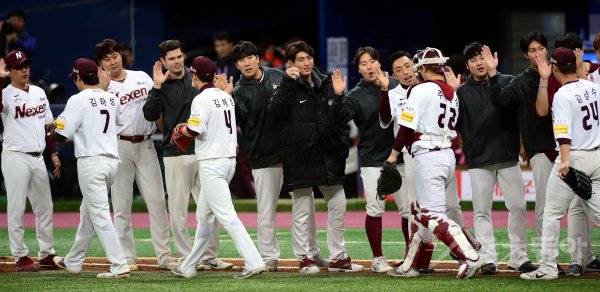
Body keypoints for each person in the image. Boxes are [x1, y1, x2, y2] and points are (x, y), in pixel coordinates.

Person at [385, 47, 482, 278]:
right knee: (419, 212)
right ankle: (410, 265)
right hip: (446, 154)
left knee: (430, 215)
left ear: (424, 67)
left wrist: (393, 154)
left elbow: (407, 126)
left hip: (428, 156)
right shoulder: (452, 92)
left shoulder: (421, 90)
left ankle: (470, 255)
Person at [270, 40, 363, 274]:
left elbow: (340, 119)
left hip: (327, 154)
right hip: (299, 156)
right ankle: (305, 258)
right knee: (302, 208)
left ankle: (338, 256)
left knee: (338, 203)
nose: (306, 62)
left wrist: (340, 95)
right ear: (291, 64)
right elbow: (274, 113)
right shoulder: (286, 85)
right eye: (300, 59)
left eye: (308, 57)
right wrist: (287, 83)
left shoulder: (327, 82)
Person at [231, 41, 325, 271]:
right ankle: (269, 255)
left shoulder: (277, 75)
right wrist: (228, 99)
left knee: (306, 205)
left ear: (258, 58)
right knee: (266, 210)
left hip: (292, 152)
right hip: (263, 155)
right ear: (237, 65)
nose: (247, 63)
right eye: (242, 60)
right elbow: (242, 121)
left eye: (250, 57)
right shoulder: (238, 91)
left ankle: (311, 252)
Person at [170, 56, 265, 279]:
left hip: (212, 164)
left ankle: (254, 261)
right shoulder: (225, 97)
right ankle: (188, 266)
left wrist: (181, 129)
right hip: (228, 161)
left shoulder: (201, 99)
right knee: (204, 216)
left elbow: (193, 132)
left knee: (227, 216)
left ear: (194, 75)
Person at [143, 40, 231, 270]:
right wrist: (156, 87)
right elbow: (149, 114)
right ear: (163, 62)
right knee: (179, 209)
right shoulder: (161, 85)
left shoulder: (195, 79)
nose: (177, 61)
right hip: (175, 153)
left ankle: (210, 256)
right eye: (171, 58)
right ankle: (186, 256)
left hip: (202, 152)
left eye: (179, 56)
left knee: (209, 206)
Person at [95, 39, 176, 270]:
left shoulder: (141, 76)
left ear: (121, 55)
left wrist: (166, 132)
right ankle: (127, 256)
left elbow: (156, 107)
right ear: (100, 63)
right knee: (121, 205)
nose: (112, 61)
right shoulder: (101, 88)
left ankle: (164, 256)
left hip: (146, 144)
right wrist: (100, 90)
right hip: (118, 147)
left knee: (158, 201)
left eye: (115, 55)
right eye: (106, 58)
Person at [521, 47, 600, 280]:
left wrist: (565, 160)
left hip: (574, 158)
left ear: (554, 67)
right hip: (596, 155)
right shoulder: (594, 87)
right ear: (575, 66)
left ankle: (547, 267)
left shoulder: (563, 95)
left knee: (552, 213)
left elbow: (563, 133)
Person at [457, 42, 533, 274]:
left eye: (482, 57)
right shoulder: (461, 92)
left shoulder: (507, 82)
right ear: (468, 65)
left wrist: (522, 145)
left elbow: (519, 114)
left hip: (508, 156)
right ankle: (487, 258)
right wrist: (451, 93)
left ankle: (519, 257)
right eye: (473, 60)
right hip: (479, 160)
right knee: (481, 211)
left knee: (519, 207)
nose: (479, 63)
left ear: (493, 58)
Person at [52, 58, 129, 278]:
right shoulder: (111, 98)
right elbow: (119, 125)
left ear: (78, 77)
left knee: (100, 215)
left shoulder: (78, 99)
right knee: (88, 213)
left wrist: (51, 128)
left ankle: (119, 264)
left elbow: (61, 135)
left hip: (92, 162)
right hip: (111, 162)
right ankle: (73, 261)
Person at [489, 33, 557, 259]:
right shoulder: (519, 82)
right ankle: (548, 259)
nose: (537, 54)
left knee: (579, 206)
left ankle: (583, 258)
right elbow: (500, 102)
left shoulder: (560, 72)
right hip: (540, 150)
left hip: (570, 149)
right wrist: (492, 74)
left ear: (546, 50)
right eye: (532, 51)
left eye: (540, 49)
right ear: (525, 55)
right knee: (546, 208)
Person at [337, 46, 398, 273]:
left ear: (379, 62)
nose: (369, 66)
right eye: (363, 64)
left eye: (372, 61)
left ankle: (409, 256)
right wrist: (339, 96)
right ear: (359, 69)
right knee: (375, 208)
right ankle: (377, 258)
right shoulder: (354, 95)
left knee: (407, 211)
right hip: (373, 159)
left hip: (401, 157)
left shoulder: (396, 85)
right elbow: (339, 119)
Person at [1, 50, 60, 272]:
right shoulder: (5, 94)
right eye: (19, 67)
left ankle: (46, 253)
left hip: (38, 157)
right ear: (9, 71)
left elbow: (48, 126)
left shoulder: (38, 92)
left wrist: (53, 154)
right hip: (15, 156)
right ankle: (20, 255)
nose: (25, 70)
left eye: (26, 65)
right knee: (17, 207)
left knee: (45, 206)